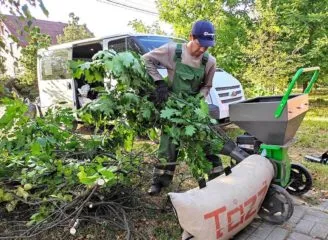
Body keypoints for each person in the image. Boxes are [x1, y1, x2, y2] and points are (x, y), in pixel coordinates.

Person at [143, 20, 224, 195]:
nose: (203, 49)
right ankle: (160, 181)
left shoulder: (209, 61)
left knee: (207, 140)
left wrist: (198, 101)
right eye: (200, 44)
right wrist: (159, 82)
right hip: (173, 105)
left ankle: (217, 178)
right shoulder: (172, 51)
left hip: (194, 107)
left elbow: (207, 86)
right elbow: (146, 59)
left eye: (207, 46)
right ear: (191, 37)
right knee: (168, 144)